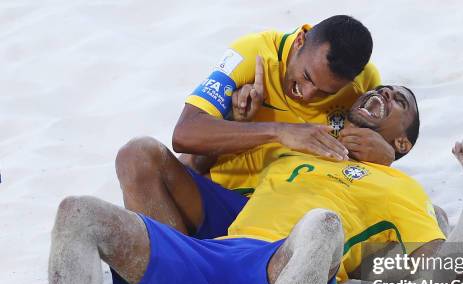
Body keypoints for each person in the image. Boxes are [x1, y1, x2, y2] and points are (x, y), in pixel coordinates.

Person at [6, 85, 463, 284]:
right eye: (383, 89)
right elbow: (194, 178)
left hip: (279, 274)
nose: (384, 94)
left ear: (402, 143)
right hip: (213, 256)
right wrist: (245, 116)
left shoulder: (401, 187)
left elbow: (444, 276)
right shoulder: (302, 150)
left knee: (324, 223)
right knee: (78, 212)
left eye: (398, 102)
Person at [115, 15, 396, 240]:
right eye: (307, 77)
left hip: (291, 220)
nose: (308, 94)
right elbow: (185, 134)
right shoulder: (253, 53)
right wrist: (278, 131)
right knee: (136, 156)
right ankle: (176, 278)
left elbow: (366, 169)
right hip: (224, 202)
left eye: (325, 92)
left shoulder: (365, 83)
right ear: (300, 41)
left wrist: (387, 158)